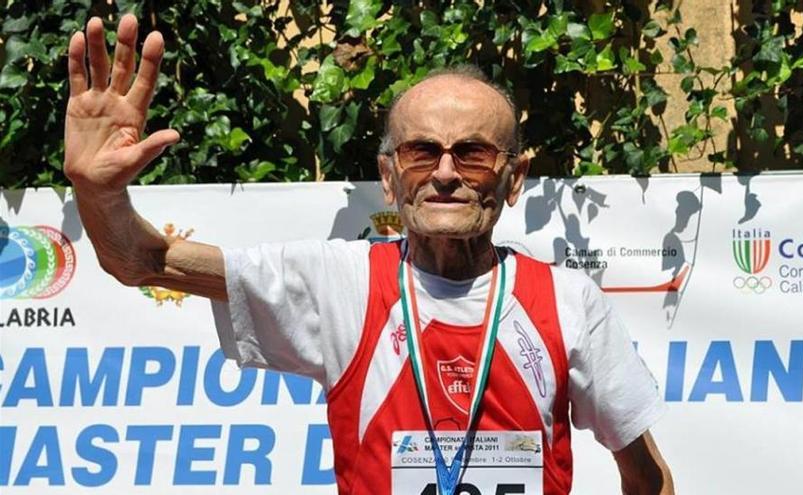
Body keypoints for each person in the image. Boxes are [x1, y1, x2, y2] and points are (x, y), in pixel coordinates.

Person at [64, 14, 674, 495]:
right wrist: (97, 191)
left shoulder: (569, 301)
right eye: (419, 153)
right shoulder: (341, 283)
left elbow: (646, 478)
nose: (443, 175)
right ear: (388, 177)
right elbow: (142, 261)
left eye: (473, 155)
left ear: (514, 179)